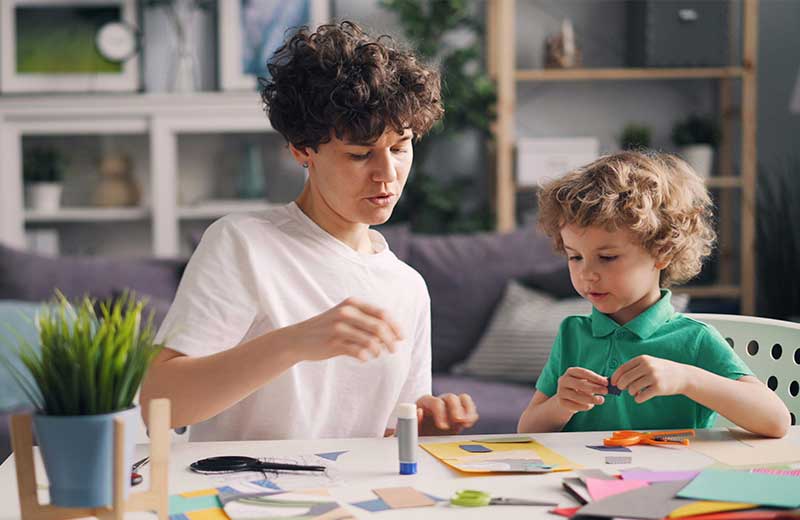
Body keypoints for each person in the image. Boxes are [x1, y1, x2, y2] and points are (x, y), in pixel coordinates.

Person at [140, 21, 478, 441]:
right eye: (359, 155)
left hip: (353, 504)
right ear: (302, 149)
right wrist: (294, 343)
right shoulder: (244, 243)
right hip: (244, 498)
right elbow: (159, 405)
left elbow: (390, 437)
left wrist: (425, 429)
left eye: (399, 147)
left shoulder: (408, 286)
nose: (386, 174)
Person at [517, 151, 789, 437]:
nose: (587, 274)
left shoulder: (694, 339)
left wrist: (687, 378)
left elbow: (776, 422)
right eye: (575, 257)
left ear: (662, 252)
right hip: (586, 479)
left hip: (676, 479)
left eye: (607, 257)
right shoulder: (572, 334)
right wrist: (562, 404)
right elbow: (526, 429)